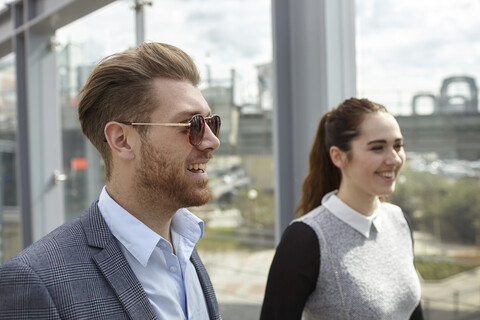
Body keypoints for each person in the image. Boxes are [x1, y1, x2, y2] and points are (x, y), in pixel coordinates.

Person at [0, 42, 222, 320]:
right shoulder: (36, 281)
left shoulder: (185, 246)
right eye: (192, 125)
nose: (213, 141)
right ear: (122, 140)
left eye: (211, 123)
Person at [260, 98, 423, 320]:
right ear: (339, 156)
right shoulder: (305, 238)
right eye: (378, 148)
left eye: (398, 145)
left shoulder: (398, 220)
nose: (394, 159)